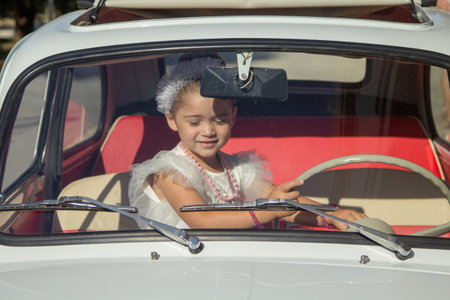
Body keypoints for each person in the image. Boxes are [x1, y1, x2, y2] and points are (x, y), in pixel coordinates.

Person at [128, 53, 367, 230]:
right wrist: (267, 212)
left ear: (233, 117)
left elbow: (279, 201)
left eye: (220, 119)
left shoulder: (235, 169)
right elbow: (201, 220)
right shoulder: (171, 172)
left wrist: (333, 217)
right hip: (177, 261)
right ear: (172, 120)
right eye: (194, 122)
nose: (208, 130)